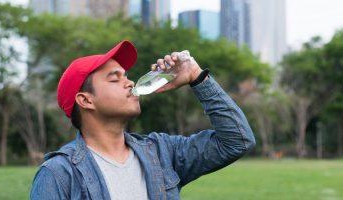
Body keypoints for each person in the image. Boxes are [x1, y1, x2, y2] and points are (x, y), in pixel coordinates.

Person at [30, 40, 256, 200]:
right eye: (114, 79)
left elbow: (237, 140)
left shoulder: (161, 152)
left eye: (126, 77)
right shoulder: (58, 174)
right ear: (86, 100)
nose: (129, 83)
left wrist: (195, 76)